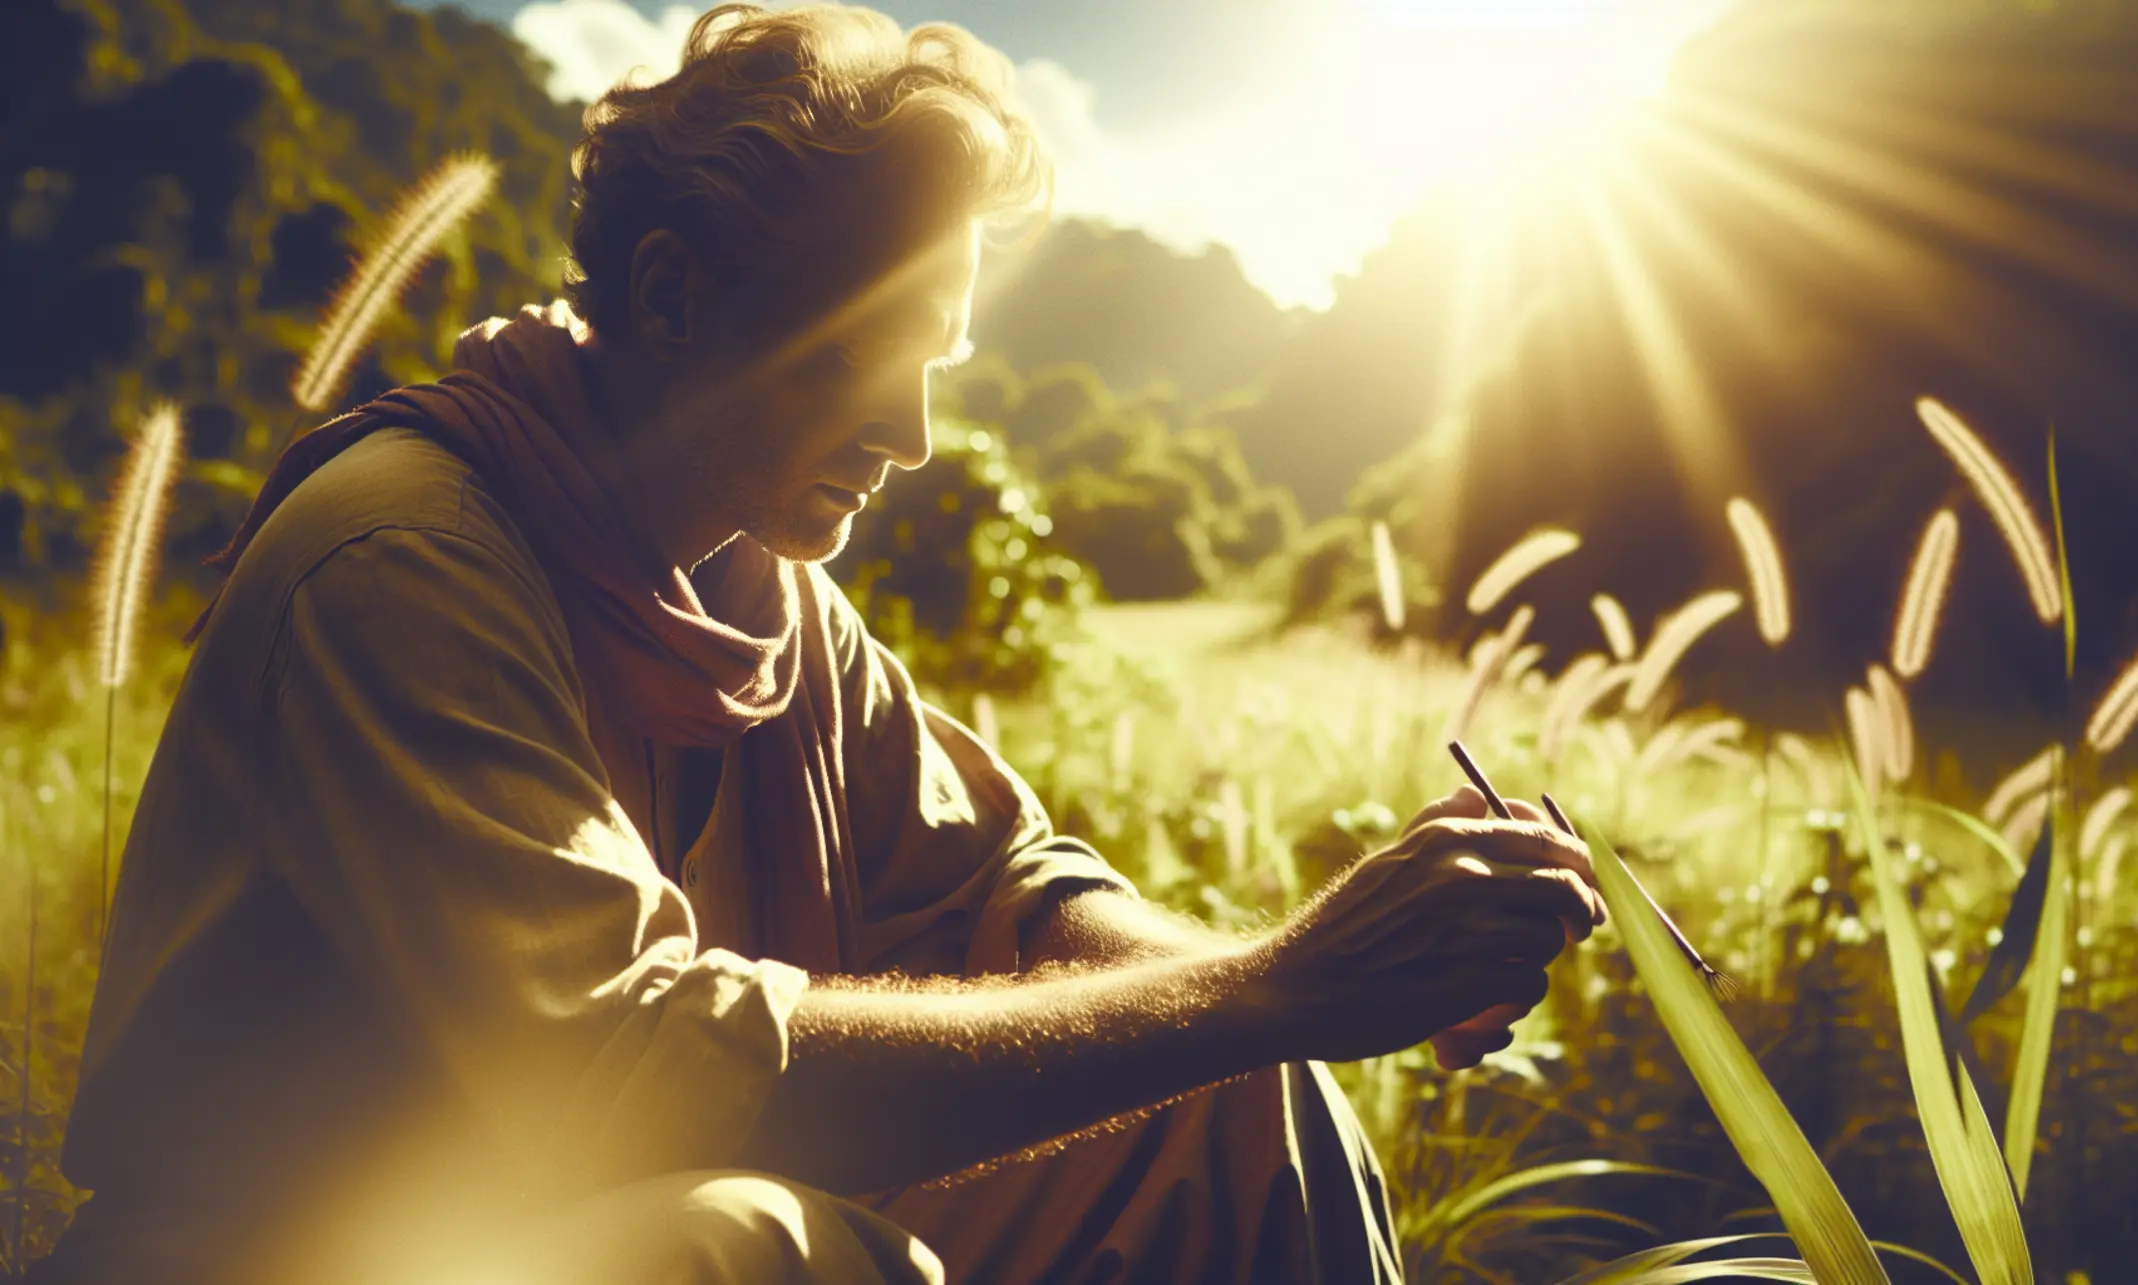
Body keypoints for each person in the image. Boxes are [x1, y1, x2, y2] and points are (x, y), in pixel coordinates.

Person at [36, 6, 1607, 1283]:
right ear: (670, 297)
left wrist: (1319, 989)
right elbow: (625, 1079)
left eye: (944, 360)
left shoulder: (760, 589)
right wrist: (1272, 984)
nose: (920, 434)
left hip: (537, 1231)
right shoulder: (401, 561)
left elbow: (1011, 890)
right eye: (873, 351)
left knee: (1245, 1107)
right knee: (750, 1248)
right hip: (300, 1247)